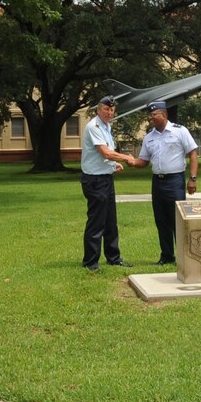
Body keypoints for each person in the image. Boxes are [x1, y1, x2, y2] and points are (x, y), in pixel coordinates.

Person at [129, 100, 199, 265]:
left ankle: (183, 257)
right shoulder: (149, 137)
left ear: (164, 115)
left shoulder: (179, 131)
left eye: (153, 115)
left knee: (178, 220)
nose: (150, 118)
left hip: (175, 180)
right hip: (157, 182)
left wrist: (193, 178)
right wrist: (130, 161)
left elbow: (193, 154)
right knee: (161, 221)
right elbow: (143, 161)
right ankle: (167, 256)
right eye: (149, 115)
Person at [80, 95, 137, 271]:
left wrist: (114, 164)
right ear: (98, 110)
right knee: (97, 222)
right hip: (95, 180)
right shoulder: (94, 126)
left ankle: (113, 257)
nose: (109, 113)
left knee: (111, 221)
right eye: (106, 109)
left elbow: (106, 155)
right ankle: (90, 262)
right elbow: (105, 152)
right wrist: (126, 157)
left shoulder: (106, 126)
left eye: (112, 110)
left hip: (105, 178)